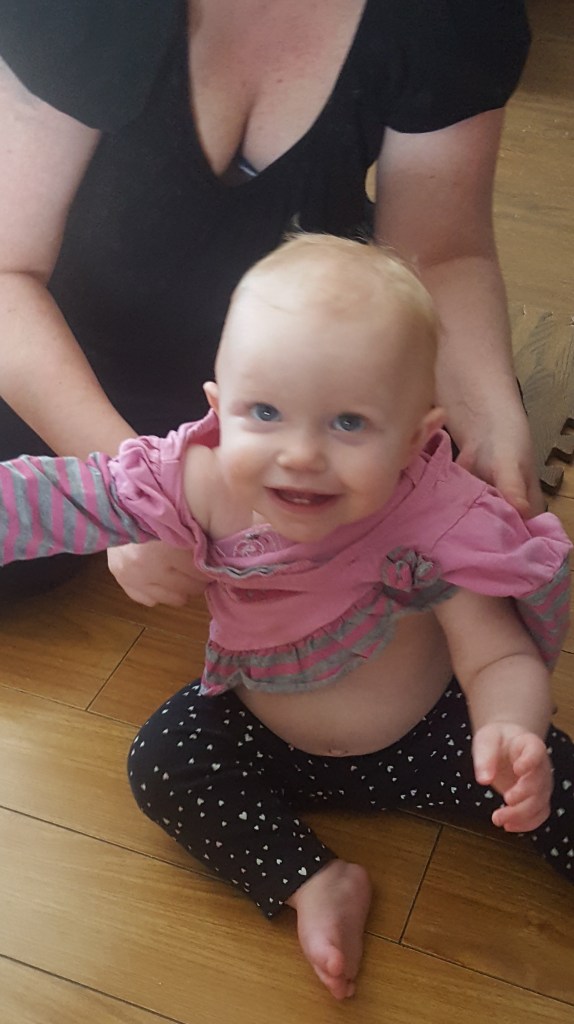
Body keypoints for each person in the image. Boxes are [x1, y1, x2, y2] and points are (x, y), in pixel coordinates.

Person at [0, 235, 572, 1001]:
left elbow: (496, 657)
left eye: (348, 423)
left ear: (415, 436)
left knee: (556, 781)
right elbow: (64, 495)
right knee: (162, 762)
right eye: (265, 412)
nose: (300, 454)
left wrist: (511, 732)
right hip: (269, 736)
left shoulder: (437, 521)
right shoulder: (198, 481)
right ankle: (316, 882)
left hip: (437, 742)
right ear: (218, 410)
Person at [0, 0, 540, 606]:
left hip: (309, 369)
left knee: (470, 545)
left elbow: (440, 254)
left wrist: (491, 419)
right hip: (68, 347)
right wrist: (140, 493)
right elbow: (8, 273)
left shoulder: (450, 15)